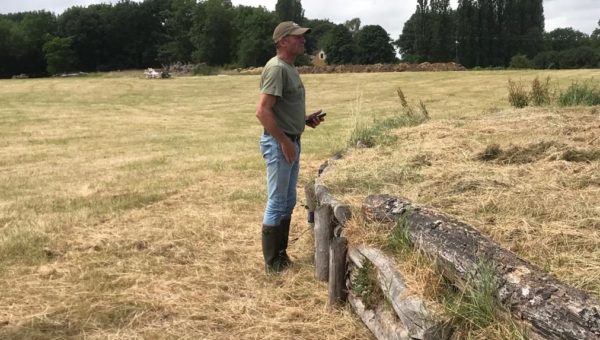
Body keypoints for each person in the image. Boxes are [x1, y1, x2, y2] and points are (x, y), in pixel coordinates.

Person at [255, 21, 324, 272]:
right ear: (283, 41)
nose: (303, 40)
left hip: (290, 141)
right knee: (277, 201)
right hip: (279, 143)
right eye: (298, 37)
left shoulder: (289, 68)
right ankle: (274, 264)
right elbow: (262, 111)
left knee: (288, 200)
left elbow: (282, 108)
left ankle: (281, 256)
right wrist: (284, 142)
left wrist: (304, 121)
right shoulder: (276, 69)